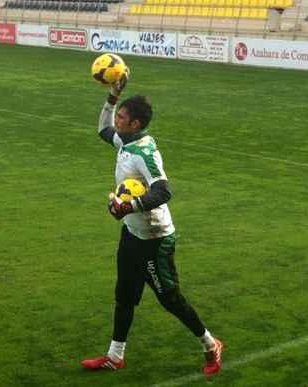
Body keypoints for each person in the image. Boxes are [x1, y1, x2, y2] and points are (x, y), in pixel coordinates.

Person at [80, 75, 224, 375]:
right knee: (124, 295)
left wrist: (127, 206)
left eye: (121, 116)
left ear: (135, 124)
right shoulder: (125, 140)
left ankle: (211, 344)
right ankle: (115, 356)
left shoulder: (145, 153)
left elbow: (163, 190)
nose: (116, 119)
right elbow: (103, 130)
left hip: (155, 239)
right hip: (132, 233)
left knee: (170, 299)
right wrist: (112, 96)